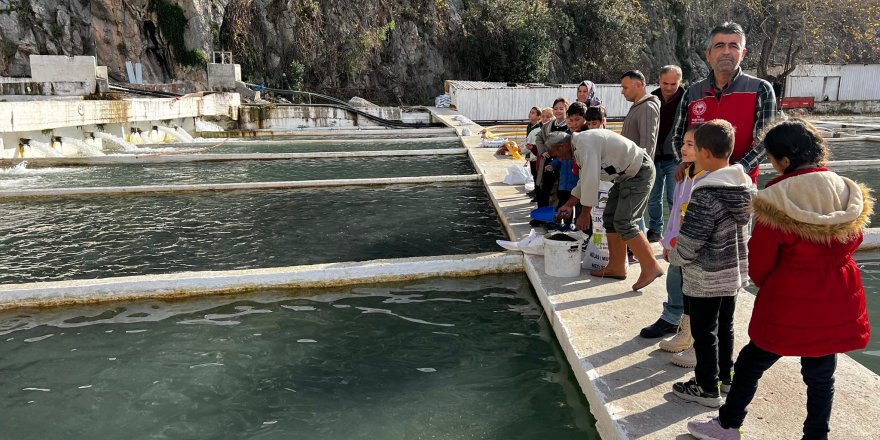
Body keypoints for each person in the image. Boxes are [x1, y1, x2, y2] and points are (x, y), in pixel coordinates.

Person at [687, 119, 872, 440]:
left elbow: (760, 262)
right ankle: (816, 435)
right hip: (839, 295)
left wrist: (771, 284)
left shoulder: (778, 198)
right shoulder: (846, 189)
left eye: (772, 158)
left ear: (784, 160)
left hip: (789, 299)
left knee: (750, 363)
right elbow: (853, 241)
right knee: (821, 374)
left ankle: (728, 425)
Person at [668, 119, 754, 408]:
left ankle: (706, 387)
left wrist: (674, 257)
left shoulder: (706, 193)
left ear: (704, 153)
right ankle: (726, 377)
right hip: (731, 273)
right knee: (725, 326)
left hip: (704, 276)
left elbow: (691, 242)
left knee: (705, 333)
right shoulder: (745, 188)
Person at [548, 129, 664, 291]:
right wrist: (569, 204)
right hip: (624, 177)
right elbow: (584, 181)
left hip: (638, 173)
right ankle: (616, 267)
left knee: (624, 222)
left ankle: (651, 266)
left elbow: (590, 181)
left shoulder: (584, 144)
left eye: (557, 155)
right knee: (609, 218)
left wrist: (585, 213)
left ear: (561, 146)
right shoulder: (579, 147)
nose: (559, 159)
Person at [670, 22, 777, 185]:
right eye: (719, 45)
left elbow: (765, 142)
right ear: (708, 54)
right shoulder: (692, 93)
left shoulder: (761, 90)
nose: (726, 52)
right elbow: (677, 136)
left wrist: (735, 170)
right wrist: (685, 162)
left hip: (739, 185)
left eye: (733, 46)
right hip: (695, 184)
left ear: (743, 53)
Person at [640, 124, 708, 341]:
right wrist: (668, 242)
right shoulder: (684, 175)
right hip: (678, 243)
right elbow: (675, 210)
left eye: (691, 145)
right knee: (674, 279)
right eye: (683, 144)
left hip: (695, 246)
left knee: (694, 289)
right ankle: (671, 317)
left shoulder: (709, 180)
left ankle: (690, 327)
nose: (684, 149)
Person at [647, 65, 685, 243]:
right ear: (659, 81)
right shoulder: (650, 99)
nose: (669, 88)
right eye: (665, 83)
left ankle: (676, 231)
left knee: (674, 198)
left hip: (675, 158)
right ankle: (655, 229)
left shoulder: (686, 99)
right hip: (654, 157)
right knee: (653, 198)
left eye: (673, 84)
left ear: (680, 82)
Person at [533, 98, 570, 211]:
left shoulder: (570, 125)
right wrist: (542, 151)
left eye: (561, 109)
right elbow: (538, 138)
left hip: (562, 164)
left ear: (566, 110)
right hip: (547, 162)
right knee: (543, 189)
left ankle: (554, 217)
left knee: (557, 192)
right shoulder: (548, 125)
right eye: (556, 109)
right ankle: (541, 215)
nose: (558, 111)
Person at [524, 106, 545, 196]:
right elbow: (528, 140)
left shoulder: (539, 127)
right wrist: (527, 155)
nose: (530, 114)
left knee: (538, 175)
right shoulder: (529, 126)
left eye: (533, 113)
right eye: (530, 112)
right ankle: (536, 190)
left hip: (537, 154)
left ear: (538, 116)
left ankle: (538, 192)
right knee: (533, 173)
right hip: (531, 153)